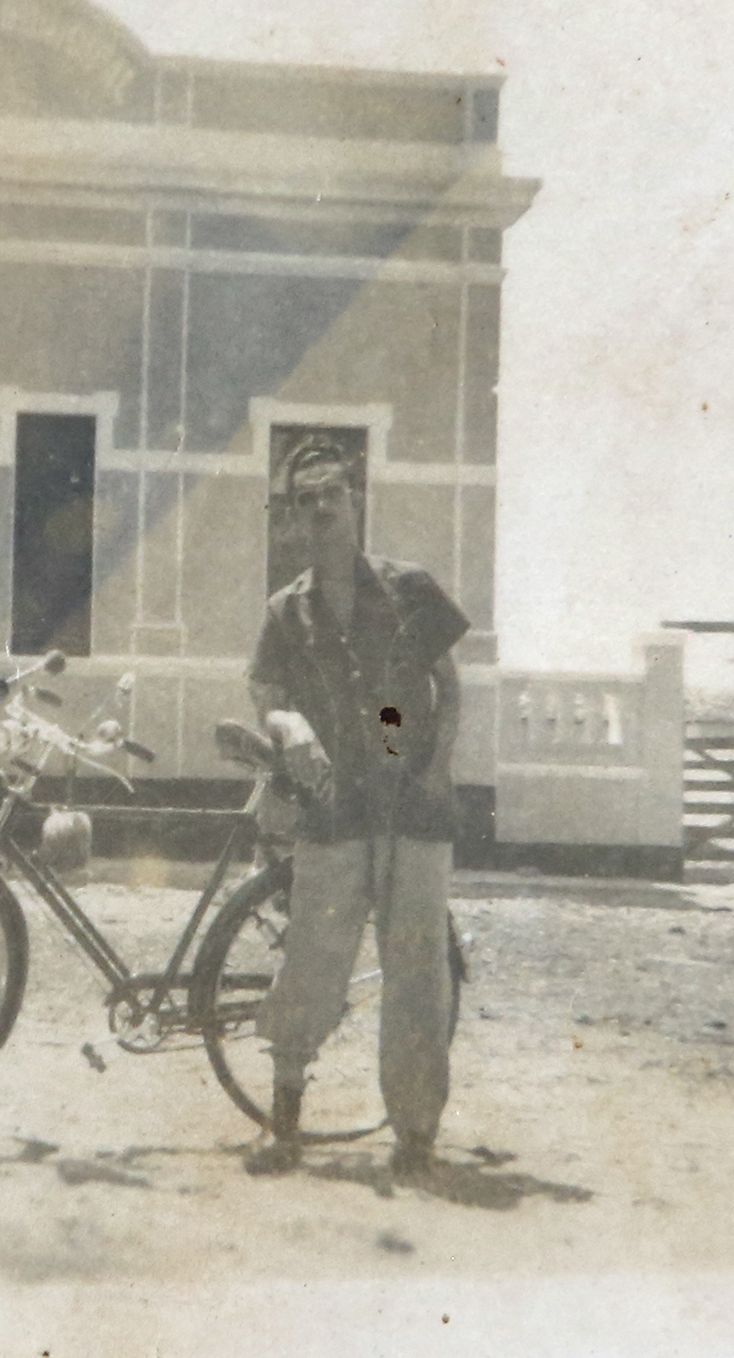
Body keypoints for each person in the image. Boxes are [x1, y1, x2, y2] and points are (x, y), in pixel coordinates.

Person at [243, 437, 469, 1178]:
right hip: (334, 807)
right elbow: (268, 696)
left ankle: (415, 1135)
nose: (319, 512)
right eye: (303, 501)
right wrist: (290, 727)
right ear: (291, 517)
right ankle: (283, 1126)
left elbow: (448, 685)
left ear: (356, 502)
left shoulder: (409, 588)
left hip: (411, 802)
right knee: (311, 961)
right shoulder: (287, 611)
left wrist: (435, 768)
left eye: (331, 496)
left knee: (417, 973)